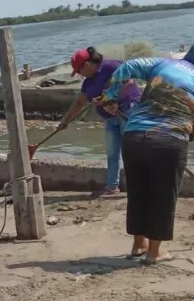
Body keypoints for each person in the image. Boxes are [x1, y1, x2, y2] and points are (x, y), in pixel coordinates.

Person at [99, 33, 194, 265]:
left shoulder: (164, 64)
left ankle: (139, 245)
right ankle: (155, 252)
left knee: (138, 192)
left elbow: (127, 66)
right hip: (170, 141)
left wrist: (110, 97)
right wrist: (179, 143)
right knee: (163, 196)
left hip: (134, 136)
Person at [57, 46, 142, 195]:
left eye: (79, 71)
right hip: (110, 118)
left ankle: (138, 186)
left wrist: (110, 98)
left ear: (87, 65)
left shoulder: (112, 66)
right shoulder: (88, 82)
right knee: (112, 153)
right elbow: (79, 103)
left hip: (127, 111)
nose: (80, 75)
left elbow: (129, 83)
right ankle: (112, 186)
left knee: (131, 151)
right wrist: (65, 121)